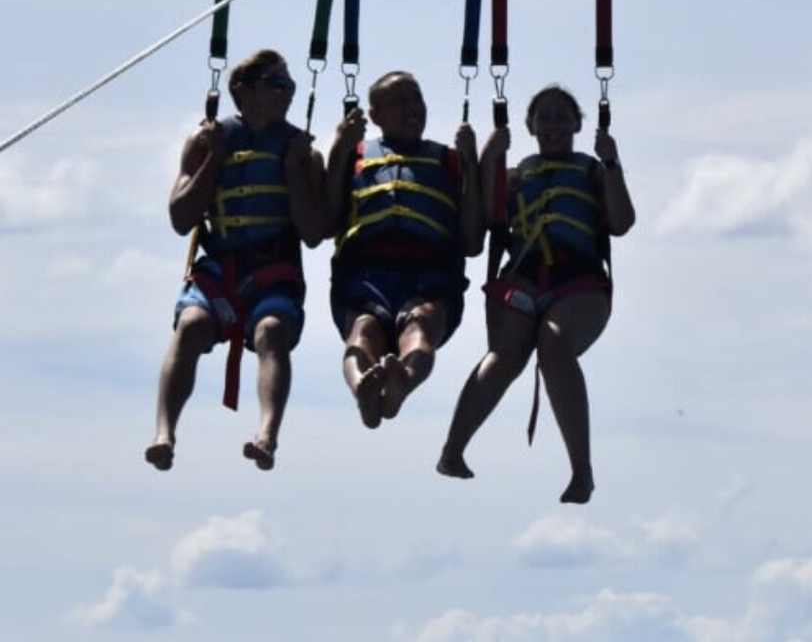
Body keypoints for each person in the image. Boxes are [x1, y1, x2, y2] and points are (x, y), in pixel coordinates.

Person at [437, 84, 635, 504]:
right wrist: (485, 158)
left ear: (579, 124)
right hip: (524, 278)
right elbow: (477, 230)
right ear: (529, 126)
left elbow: (621, 223)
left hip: (578, 280)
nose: (553, 125)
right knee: (505, 354)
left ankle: (582, 473)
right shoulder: (513, 175)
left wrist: (612, 160)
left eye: (562, 116)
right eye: (544, 117)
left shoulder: (591, 170)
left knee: (554, 346)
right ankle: (452, 452)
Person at [144, 49, 326, 472]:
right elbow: (181, 218)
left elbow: (314, 233)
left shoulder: (301, 148)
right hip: (219, 267)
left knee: (272, 332)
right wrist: (214, 158)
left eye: (290, 85)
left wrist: (296, 168)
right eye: (277, 84)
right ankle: (164, 434)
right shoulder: (207, 139)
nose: (287, 93)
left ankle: (266, 435)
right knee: (189, 327)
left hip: (272, 270)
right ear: (244, 90)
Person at [326, 71, 482, 428]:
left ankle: (402, 383)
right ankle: (362, 388)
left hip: (431, 271)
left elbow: (472, 242)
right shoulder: (355, 156)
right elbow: (325, 223)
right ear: (376, 114)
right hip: (365, 271)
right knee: (364, 330)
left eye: (417, 98)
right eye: (400, 102)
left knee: (422, 324)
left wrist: (472, 163)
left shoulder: (449, 161)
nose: (412, 108)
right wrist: (339, 150)